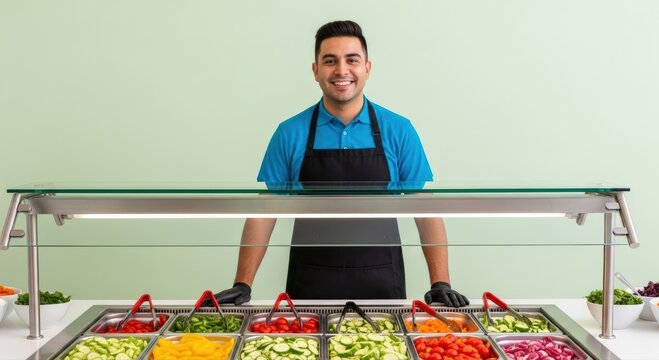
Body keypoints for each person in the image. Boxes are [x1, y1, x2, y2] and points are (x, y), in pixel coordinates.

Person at [212, 20, 469, 307]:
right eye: (330, 61)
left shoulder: (399, 130)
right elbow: (264, 211)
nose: (342, 70)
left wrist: (440, 282)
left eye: (352, 60)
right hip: (310, 287)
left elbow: (426, 211)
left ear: (367, 68)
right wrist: (242, 283)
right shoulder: (290, 132)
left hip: (382, 287)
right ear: (315, 70)